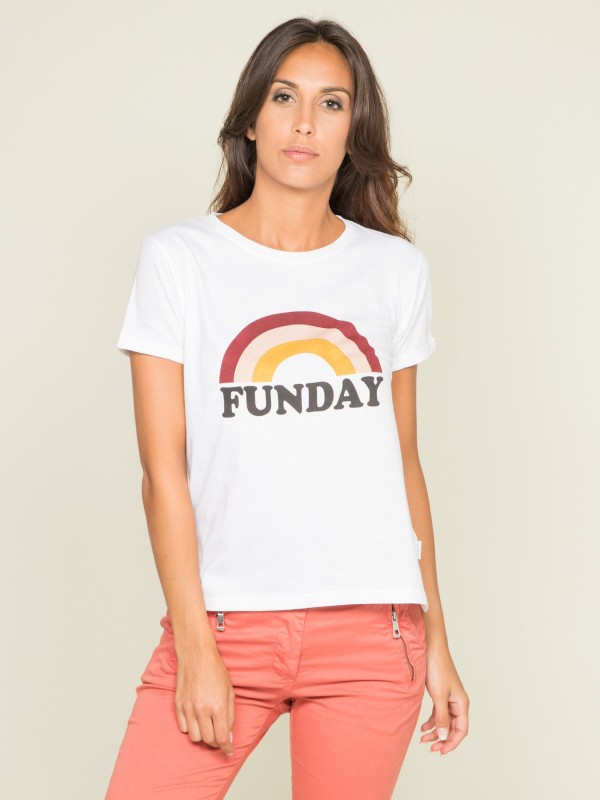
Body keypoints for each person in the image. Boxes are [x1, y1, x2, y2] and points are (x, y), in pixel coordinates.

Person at [106, 15, 469, 800]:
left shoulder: (394, 270)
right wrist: (195, 646)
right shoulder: (179, 262)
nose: (305, 122)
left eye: (331, 103)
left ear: (353, 131)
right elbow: (162, 474)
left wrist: (437, 638)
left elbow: (403, 465)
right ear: (250, 119)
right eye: (284, 97)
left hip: (374, 633)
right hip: (227, 624)